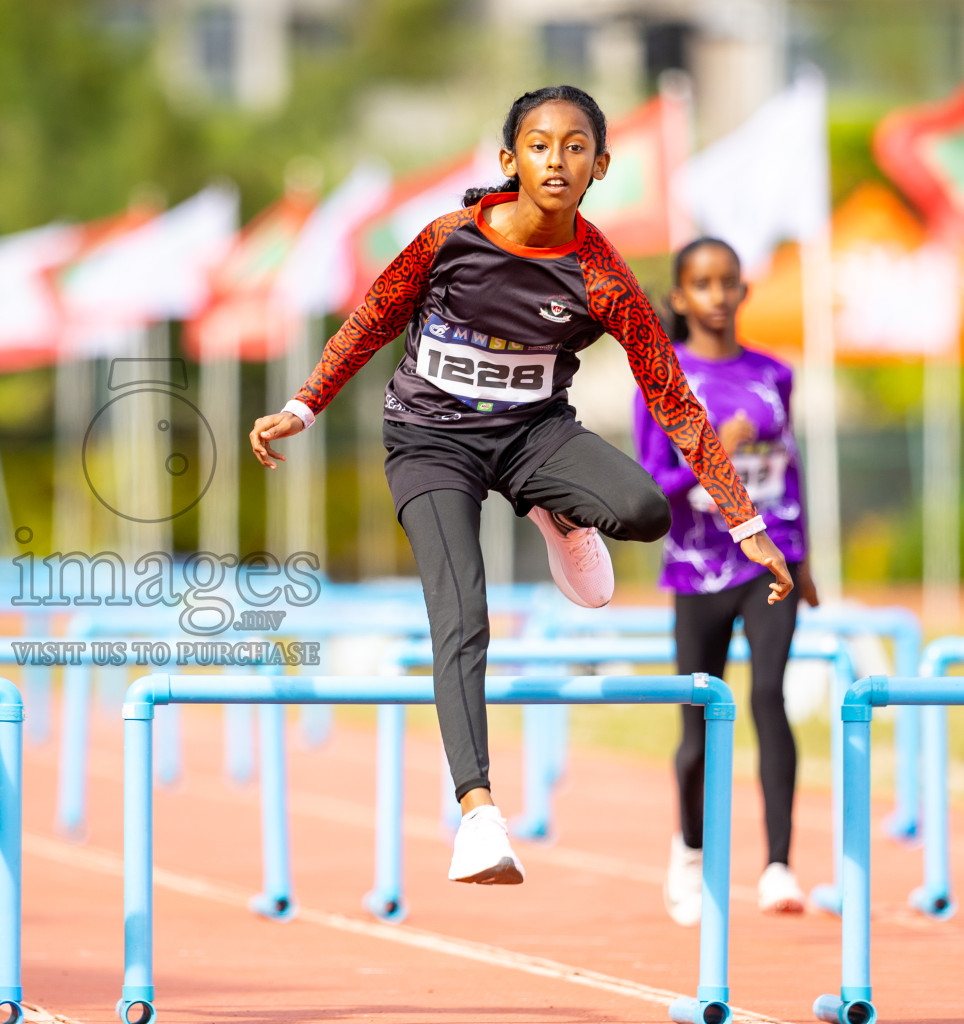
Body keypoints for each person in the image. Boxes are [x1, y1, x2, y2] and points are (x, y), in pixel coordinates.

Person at [249, 85, 794, 886]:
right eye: (539, 145)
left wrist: (750, 528)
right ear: (509, 160)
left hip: (535, 437)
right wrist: (304, 404)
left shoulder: (602, 278)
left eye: (576, 147)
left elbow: (675, 402)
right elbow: (370, 318)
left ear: (600, 165)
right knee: (461, 609)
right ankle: (478, 812)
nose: (556, 161)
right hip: (430, 442)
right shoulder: (448, 240)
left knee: (644, 512)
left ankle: (557, 509)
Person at [635, 237, 818, 923]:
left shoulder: (775, 373)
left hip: (771, 561)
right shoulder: (664, 378)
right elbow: (653, 487)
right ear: (681, 298)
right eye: (702, 284)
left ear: (743, 291)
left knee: (769, 696)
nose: (717, 294)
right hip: (697, 566)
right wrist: (722, 450)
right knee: (698, 726)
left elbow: (790, 469)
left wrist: (806, 559)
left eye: (728, 282)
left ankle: (778, 864)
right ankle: (688, 850)